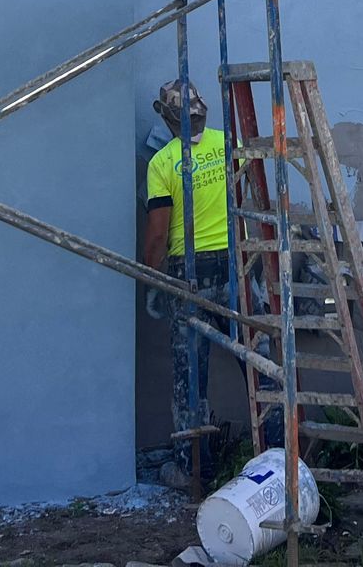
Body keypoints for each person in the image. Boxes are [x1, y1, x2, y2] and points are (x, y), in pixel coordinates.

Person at [142, 79, 229, 483]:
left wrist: (152, 281)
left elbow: (157, 236)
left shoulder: (162, 163)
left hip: (189, 273)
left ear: (166, 116)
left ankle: (193, 467)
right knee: (261, 359)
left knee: (190, 374)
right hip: (237, 267)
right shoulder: (227, 145)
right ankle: (278, 458)